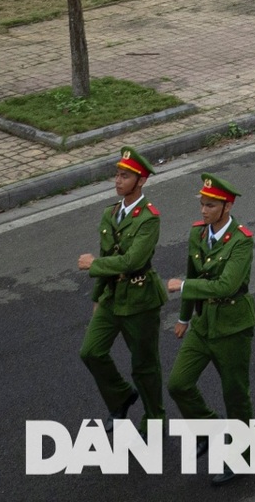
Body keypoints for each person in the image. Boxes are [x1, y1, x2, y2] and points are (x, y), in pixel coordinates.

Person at [166, 173, 255, 483]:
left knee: (235, 394)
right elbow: (193, 271)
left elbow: (228, 285)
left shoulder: (242, 240)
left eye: (210, 205)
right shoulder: (198, 234)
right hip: (203, 324)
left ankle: (243, 459)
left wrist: (186, 286)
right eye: (202, 204)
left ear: (226, 207)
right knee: (178, 383)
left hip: (232, 327)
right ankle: (208, 428)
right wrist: (183, 318)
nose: (203, 211)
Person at [79, 147, 165, 426]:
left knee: (144, 365)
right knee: (91, 352)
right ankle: (120, 397)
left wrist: (93, 266)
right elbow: (109, 255)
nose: (117, 180)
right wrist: (97, 296)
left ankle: (155, 419)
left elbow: (132, 260)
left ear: (140, 181)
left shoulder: (148, 218)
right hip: (111, 297)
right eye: (116, 175)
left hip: (140, 299)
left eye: (125, 176)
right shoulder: (110, 214)